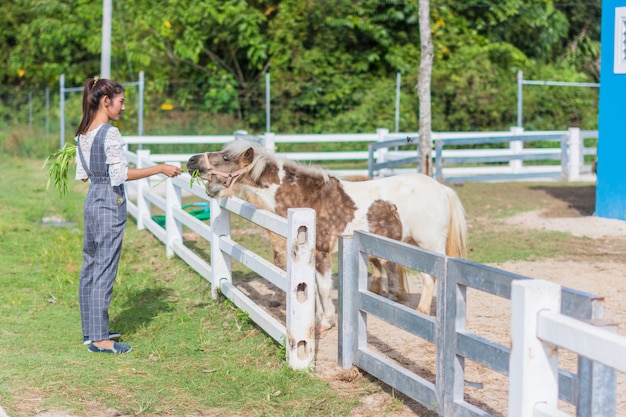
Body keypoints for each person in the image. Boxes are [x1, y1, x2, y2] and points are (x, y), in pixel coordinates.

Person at [75, 77, 181, 354]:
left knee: (91, 265)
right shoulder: (109, 133)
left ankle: (91, 330)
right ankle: (100, 339)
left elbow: (83, 176)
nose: (124, 108)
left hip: (92, 202)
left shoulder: (82, 133)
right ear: (106, 102)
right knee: (105, 268)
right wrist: (159, 168)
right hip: (110, 201)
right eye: (121, 102)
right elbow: (120, 175)